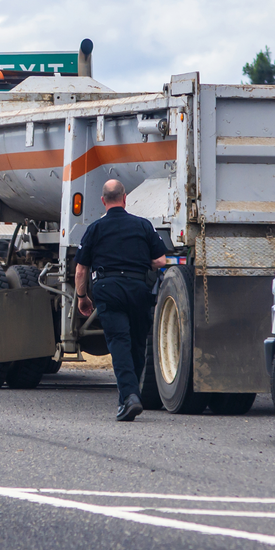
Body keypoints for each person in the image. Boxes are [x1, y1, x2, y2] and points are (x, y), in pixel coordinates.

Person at [74, 179, 168, 422]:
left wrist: (82, 297)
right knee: (137, 344)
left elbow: (81, 270)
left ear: (103, 201)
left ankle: (129, 397)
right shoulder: (143, 225)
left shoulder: (95, 228)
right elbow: (161, 261)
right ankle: (129, 396)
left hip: (109, 289)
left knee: (119, 342)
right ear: (125, 198)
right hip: (138, 289)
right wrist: (141, 263)